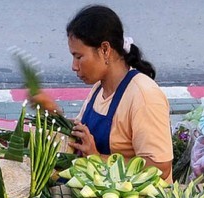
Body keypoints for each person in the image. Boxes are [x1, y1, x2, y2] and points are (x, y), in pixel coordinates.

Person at [33, 5, 173, 180]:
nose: (74, 66)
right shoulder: (99, 88)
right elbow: (82, 134)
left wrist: (98, 158)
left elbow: (160, 168)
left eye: (78, 57)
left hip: (136, 197)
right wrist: (55, 116)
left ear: (105, 49)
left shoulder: (144, 96)